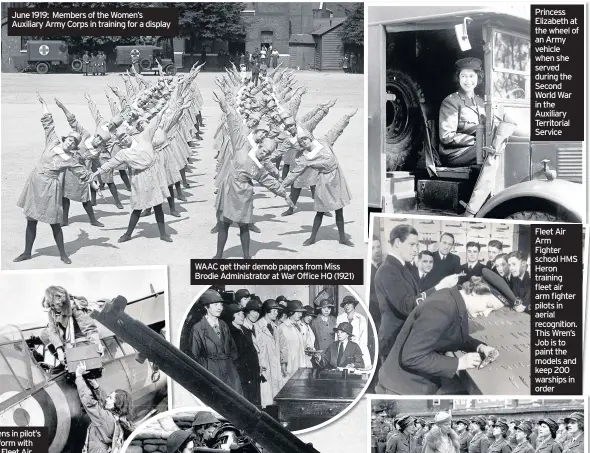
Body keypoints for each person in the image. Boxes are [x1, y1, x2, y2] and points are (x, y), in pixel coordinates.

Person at [376, 269, 511, 395]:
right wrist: (459, 363)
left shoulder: (454, 298)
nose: (486, 314)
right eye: (488, 306)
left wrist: (480, 346)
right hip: (401, 388)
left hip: (415, 382)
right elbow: (412, 357)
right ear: (475, 291)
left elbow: (452, 335)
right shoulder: (441, 308)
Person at [15, 93, 93, 265]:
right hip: (35, 185)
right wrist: (44, 104)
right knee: (31, 220)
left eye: (74, 143)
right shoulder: (52, 142)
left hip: (50, 190)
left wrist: (93, 181)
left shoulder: (71, 159)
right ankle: (27, 252)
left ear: (74, 147)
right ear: (65, 139)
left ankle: (63, 254)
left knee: (55, 223)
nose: (70, 143)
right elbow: (48, 122)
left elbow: (83, 172)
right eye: (70, 139)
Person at [375, 225, 458, 361]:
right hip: (393, 341)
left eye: (417, 245)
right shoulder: (388, 270)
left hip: (404, 338)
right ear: (397, 243)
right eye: (412, 244)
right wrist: (439, 287)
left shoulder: (402, 267)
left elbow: (415, 297)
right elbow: (406, 306)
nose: (416, 250)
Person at [281, 111, 357, 247]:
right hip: (324, 181)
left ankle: (342, 238)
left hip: (337, 179)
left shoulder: (324, 142)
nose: (304, 141)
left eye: (305, 138)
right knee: (320, 212)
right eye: (301, 141)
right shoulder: (304, 158)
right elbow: (293, 173)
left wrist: (346, 116)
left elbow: (336, 130)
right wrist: (281, 185)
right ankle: (312, 237)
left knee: (339, 210)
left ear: (310, 138)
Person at [190, 289, 243, 395]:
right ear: (206, 307)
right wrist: (208, 369)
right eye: (215, 304)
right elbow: (194, 357)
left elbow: (232, 349)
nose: (220, 307)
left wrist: (231, 366)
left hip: (230, 373)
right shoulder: (198, 329)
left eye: (221, 304)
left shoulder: (223, 325)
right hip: (212, 374)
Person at [75, 362, 133, 453]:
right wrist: (95, 385)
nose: (107, 399)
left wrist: (78, 376)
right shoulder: (117, 419)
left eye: (110, 398)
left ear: (116, 406)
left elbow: (89, 403)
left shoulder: (106, 419)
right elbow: (104, 401)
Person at [438, 57, 485, 166]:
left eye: (471, 76)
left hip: (475, 148)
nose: (468, 80)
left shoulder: (481, 102)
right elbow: (446, 137)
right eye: (463, 76)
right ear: (458, 78)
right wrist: (476, 140)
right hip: (455, 153)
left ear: (478, 77)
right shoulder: (451, 101)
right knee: (490, 150)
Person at [40, 286, 102, 367]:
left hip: (79, 335)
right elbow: (53, 331)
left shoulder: (74, 306)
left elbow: (87, 325)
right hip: (65, 336)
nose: (57, 307)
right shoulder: (51, 311)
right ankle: (63, 361)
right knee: (44, 334)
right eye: (53, 305)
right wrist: (59, 350)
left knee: (84, 365)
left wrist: (97, 343)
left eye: (59, 304)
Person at [224, 304, 261, 406]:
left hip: (252, 373)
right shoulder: (230, 332)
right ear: (231, 315)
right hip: (241, 375)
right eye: (238, 314)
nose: (242, 316)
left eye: (242, 313)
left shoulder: (245, 330)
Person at [253, 299, 282, 408]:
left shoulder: (275, 327)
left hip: (275, 366)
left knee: (275, 398)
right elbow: (258, 349)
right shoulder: (257, 327)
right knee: (266, 398)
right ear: (267, 311)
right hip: (265, 366)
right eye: (274, 311)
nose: (277, 313)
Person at [336, 295, 370, 368]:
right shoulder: (340, 318)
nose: (347, 306)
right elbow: (337, 337)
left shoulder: (361, 318)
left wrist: (359, 353)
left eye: (349, 304)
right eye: (345, 304)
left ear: (354, 304)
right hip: (344, 351)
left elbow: (363, 339)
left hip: (359, 349)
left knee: (358, 372)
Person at [278, 300, 308, 383]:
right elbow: (280, 348)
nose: (301, 315)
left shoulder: (300, 326)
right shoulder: (282, 327)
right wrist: (283, 364)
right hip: (290, 367)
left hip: (300, 364)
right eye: (298, 312)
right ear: (291, 312)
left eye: (301, 312)